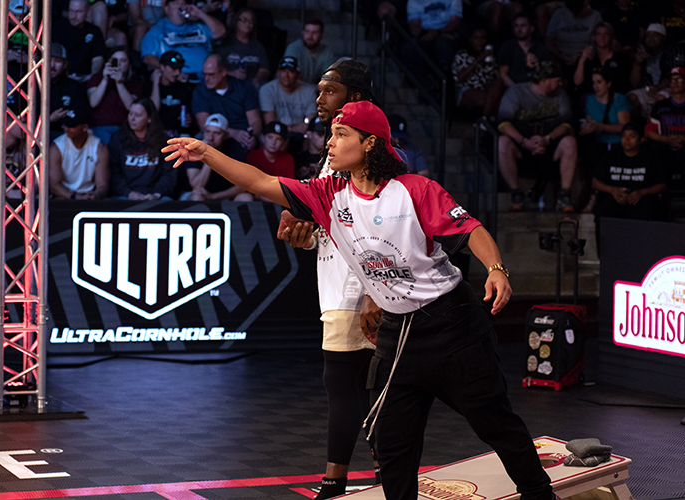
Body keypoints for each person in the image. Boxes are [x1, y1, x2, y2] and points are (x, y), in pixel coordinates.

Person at [162, 99, 554, 500]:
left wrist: (496, 270)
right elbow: (259, 182)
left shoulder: (413, 190)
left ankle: (541, 494)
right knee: (391, 441)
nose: (329, 143)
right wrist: (207, 153)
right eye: (330, 134)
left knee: (494, 423)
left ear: (370, 143)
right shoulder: (328, 194)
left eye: (340, 134)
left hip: (453, 325)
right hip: (397, 332)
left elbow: (471, 230)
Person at [497, 60, 577, 211]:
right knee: (502, 142)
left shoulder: (560, 95)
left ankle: (564, 195)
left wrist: (547, 139)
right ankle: (516, 193)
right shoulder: (517, 92)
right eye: (557, 80)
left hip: (549, 145)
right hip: (522, 146)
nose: (560, 84)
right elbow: (503, 124)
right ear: (545, 80)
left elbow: (566, 125)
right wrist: (524, 141)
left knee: (570, 141)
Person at [592, 121, 667, 252]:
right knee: (603, 212)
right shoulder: (612, 155)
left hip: (642, 199)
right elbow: (595, 182)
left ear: (641, 139)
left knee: (649, 212)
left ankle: (644, 257)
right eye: (624, 136)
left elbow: (662, 185)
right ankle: (606, 258)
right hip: (615, 198)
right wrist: (612, 190)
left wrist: (642, 193)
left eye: (632, 136)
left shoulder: (650, 156)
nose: (627, 140)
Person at [109, 98, 177, 200]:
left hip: (155, 195)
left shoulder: (164, 141)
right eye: (130, 114)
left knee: (167, 203)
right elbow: (114, 174)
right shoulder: (118, 139)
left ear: (149, 118)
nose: (132, 118)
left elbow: (169, 175)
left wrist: (156, 194)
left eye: (137, 115)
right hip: (125, 195)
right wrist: (128, 193)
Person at [192, 54, 262, 150]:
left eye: (211, 74)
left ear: (223, 72)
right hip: (214, 135)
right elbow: (203, 124)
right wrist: (233, 133)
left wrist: (252, 137)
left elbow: (255, 121)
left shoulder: (244, 88)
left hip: (243, 135)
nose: (207, 79)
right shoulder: (200, 91)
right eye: (205, 74)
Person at [140, 0, 226, 78]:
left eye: (183, 3)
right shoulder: (157, 31)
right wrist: (171, 71)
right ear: (166, 9)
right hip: (177, 79)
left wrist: (199, 13)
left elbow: (220, 32)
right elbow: (148, 58)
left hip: (207, 77)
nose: (180, 7)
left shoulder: (198, 25)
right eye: (176, 3)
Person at [182, 113, 253, 201]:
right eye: (208, 132)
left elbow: (243, 185)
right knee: (197, 196)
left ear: (225, 135)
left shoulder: (234, 148)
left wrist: (214, 196)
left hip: (223, 195)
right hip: (196, 194)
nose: (210, 138)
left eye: (217, 133)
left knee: (246, 197)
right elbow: (197, 186)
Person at [49, 105, 110, 200]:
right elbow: (54, 185)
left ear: (85, 127)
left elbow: (102, 185)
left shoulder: (99, 148)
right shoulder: (56, 147)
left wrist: (95, 195)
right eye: (66, 125)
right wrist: (74, 197)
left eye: (71, 126)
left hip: (89, 197)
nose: (66, 129)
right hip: (64, 197)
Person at [87, 46, 145, 144]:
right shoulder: (97, 78)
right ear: (108, 61)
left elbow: (131, 107)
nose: (119, 64)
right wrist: (105, 79)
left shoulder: (135, 83)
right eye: (115, 60)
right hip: (99, 128)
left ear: (128, 63)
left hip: (124, 129)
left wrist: (119, 83)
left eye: (123, 60)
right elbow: (93, 103)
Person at [645, 66, 685, 187]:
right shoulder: (660, 106)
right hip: (665, 150)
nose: (674, 83)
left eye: (679, 80)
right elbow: (648, 131)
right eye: (672, 80)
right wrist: (666, 139)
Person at [451, 26, 504, 117]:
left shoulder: (490, 58)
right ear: (471, 39)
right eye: (476, 37)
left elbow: (494, 76)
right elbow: (459, 78)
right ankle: (486, 119)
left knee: (498, 88)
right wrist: (478, 60)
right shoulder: (462, 55)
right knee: (490, 100)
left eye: (482, 38)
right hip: (467, 89)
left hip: (487, 89)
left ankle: (484, 119)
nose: (480, 41)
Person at [259, 56, 317, 135]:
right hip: (277, 134)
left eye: (291, 71)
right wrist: (293, 128)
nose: (286, 75)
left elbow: (311, 122)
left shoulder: (309, 91)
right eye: (283, 70)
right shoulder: (267, 90)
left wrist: (303, 127)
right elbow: (270, 124)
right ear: (278, 72)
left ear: (297, 74)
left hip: (301, 134)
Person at [573, 21, 631, 97]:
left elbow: (624, 85)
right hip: (592, 98)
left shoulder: (620, 58)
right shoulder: (589, 59)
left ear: (611, 37)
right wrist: (582, 59)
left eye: (606, 34)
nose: (602, 37)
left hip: (614, 98)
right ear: (594, 37)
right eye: (599, 34)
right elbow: (577, 82)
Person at [52, 0, 105, 82]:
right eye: (71, 11)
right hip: (61, 79)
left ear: (87, 12)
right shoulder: (58, 28)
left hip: (86, 79)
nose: (73, 16)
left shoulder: (94, 32)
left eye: (78, 12)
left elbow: (97, 59)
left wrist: (92, 77)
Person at [149, 51, 198, 138]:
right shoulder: (149, 87)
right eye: (173, 69)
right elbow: (152, 111)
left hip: (179, 135)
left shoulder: (185, 88)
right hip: (155, 134)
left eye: (180, 69)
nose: (177, 73)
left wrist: (189, 120)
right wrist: (156, 84)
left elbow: (189, 116)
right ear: (162, 67)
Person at [218, 8, 271, 88]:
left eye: (251, 21)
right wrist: (232, 73)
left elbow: (264, 70)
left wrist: (256, 79)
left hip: (252, 86)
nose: (248, 23)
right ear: (236, 22)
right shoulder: (226, 44)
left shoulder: (258, 47)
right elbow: (216, 69)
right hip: (230, 84)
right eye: (244, 20)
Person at [546, 0, 602, 72]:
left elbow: (598, 41)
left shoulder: (595, 16)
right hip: (562, 57)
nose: (589, 8)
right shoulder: (560, 14)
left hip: (586, 57)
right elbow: (549, 40)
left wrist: (582, 55)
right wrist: (561, 57)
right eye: (585, 6)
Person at [406, 0, 462, 72]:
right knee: (410, 48)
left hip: (447, 35)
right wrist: (427, 33)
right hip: (425, 35)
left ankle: (447, 78)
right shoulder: (413, 1)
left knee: (443, 44)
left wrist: (438, 32)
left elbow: (455, 22)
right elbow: (414, 28)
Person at [498, 13, 552, 88]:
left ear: (531, 28)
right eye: (516, 26)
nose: (519, 29)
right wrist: (517, 90)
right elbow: (503, 74)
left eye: (523, 26)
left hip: (536, 90)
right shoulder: (507, 47)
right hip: (513, 90)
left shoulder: (540, 48)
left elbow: (547, 73)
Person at [628, 24, 669, 120]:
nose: (650, 38)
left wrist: (658, 88)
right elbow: (635, 84)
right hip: (647, 90)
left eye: (655, 35)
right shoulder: (642, 54)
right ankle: (638, 129)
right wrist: (637, 63)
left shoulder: (670, 53)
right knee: (631, 98)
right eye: (648, 35)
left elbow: (672, 77)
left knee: (660, 98)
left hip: (666, 89)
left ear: (663, 38)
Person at [49, 43, 89, 141]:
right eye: (49, 60)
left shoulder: (74, 86)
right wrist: (49, 119)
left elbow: (82, 114)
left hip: (66, 135)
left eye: (57, 61)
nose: (52, 65)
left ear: (65, 64)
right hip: (36, 135)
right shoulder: (32, 84)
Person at [283, 19, 336, 84]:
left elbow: (329, 77)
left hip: (312, 90)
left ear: (321, 35)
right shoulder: (293, 48)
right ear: (303, 33)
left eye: (315, 32)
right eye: (307, 31)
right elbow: (289, 76)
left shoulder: (326, 51)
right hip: (289, 89)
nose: (310, 36)